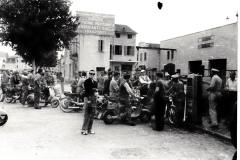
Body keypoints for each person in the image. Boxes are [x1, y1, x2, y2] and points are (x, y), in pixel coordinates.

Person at [81, 70, 98, 135]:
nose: (92, 75)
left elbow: (96, 90)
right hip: (88, 98)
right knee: (87, 114)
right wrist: (88, 100)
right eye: (91, 73)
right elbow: (87, 90)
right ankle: (83, 130)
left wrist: (96, 92)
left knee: (92, 115)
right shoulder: (86, 81)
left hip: (93, 99)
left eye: (93, 74)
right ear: (89, 74)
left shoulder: (95, 82)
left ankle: (89, 129)